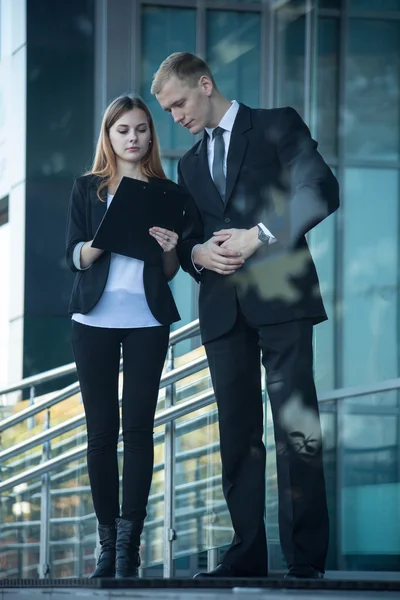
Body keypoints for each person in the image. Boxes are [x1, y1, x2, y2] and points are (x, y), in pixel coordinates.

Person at [152, 53, 340, 580]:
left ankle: (305, 560)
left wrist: (258, 235)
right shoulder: (189, 164)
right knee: (236, 438)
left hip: (283, 299)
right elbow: (188, 236)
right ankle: (246, 557)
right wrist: (196, 255)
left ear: (205, 84)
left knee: (296, 429)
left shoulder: (278, 123)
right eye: (167, 110)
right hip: (222, 311)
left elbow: (320, 190)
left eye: (179, 104)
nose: (176, 116)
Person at [65, 94, 183, 579]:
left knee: (138, 431)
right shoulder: (87, 189)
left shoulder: (168, 192)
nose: (132, 138)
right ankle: (105, 542)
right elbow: (72, 256)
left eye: (140, 129)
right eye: (122, 130)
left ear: (151, 135)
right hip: (92, 319)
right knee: (100, 435)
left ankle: (128, 547)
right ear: (108, 137)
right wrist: (100, 242)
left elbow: (171, 271)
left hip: (146, 320)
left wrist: (172, 248)